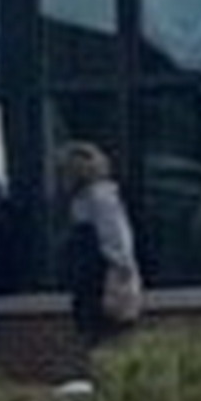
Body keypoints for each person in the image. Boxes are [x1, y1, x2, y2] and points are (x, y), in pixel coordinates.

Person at [58, 142, 141, 353]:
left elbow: (114, 234)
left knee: (106, 330)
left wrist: (121, 267)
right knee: (92, 330)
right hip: (87, 274)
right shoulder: (81, 199)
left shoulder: (100, 197)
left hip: (100, 274)